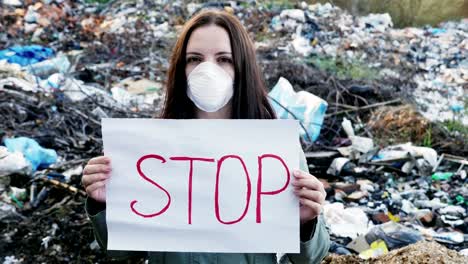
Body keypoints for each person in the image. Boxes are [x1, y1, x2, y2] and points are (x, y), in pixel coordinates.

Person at [82, 9, 330, 264]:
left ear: (241, 67)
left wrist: (306, 221)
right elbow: (122, 251)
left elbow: (311, 258)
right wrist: (104, 206)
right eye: (195, 59)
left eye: (224, 59)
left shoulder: (275, 150)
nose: (207, 70)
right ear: (181, 68)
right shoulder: (150, 149)